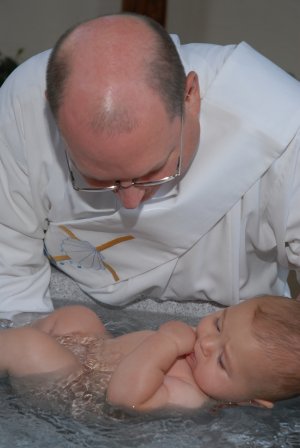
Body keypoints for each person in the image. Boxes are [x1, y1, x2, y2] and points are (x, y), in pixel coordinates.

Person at [1, 13, 300, 319]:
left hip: (233, 339)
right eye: (100, 178)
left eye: (153, 171)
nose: (130, 203)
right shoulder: (22, 111)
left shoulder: (285, 127)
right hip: (72, 313)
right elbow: (10, 273)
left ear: (190, 96)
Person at [1, 294, 300, 416]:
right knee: (78, 316)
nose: (207, 343)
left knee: (31, 346)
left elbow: (123, 397)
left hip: (77, 390)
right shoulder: (200, 354)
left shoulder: (190, 397)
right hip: (95, 352)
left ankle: (11, 348)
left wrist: (167, 342)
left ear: (249, 400)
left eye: (222, 361)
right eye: (219, 324)